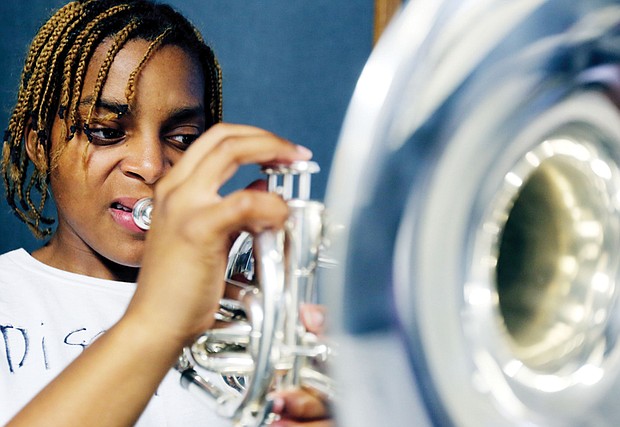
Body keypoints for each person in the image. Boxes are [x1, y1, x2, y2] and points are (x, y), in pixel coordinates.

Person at [0, 0, 331, 425]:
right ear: (40, 147)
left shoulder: (244, 308)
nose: (152, 166)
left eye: (182, 137)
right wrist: (157, 321)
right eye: (106, 132)